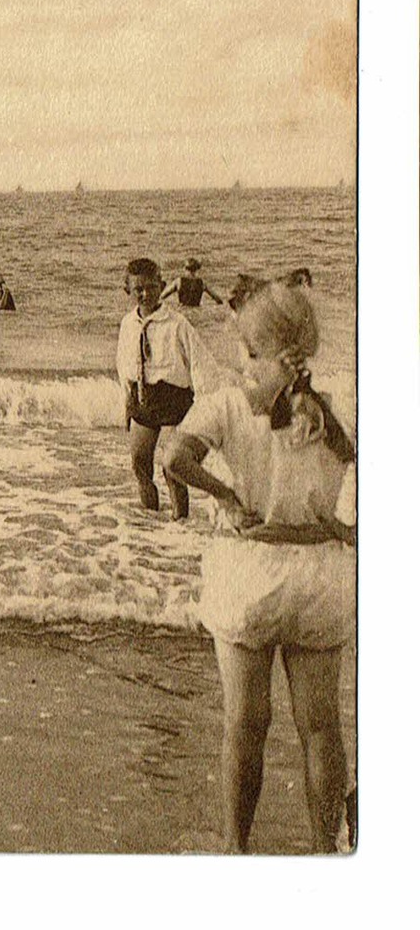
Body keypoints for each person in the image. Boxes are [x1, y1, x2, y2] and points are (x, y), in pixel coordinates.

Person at [161, 277, 355, 853]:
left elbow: (174, 458)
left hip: (250, 575)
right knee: (320, 729)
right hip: (319, 576)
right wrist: (344, 529)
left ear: (251, 346)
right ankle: (329, 853)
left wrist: (222, 494)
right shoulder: (330, 412)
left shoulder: (226, 403)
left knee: (245, 726)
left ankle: (236, 852)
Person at [116, 257, 200, 520]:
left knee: (172, 466)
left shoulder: (177, 324)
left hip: (175, 398)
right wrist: (127, 400)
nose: (145, 294)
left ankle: (180, 524)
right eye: (138, 289)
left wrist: (209, 409)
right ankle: (150, 522)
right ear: (128, 290)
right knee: (140, 464)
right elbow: (124, 362)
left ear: (162, 286)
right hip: (143, 397)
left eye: (152, 287)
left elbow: (200, 365)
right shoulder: (127, 324)